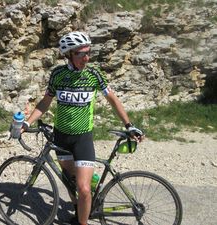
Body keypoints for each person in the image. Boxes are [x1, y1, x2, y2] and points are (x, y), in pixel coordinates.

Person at [22, 31, 144, 225]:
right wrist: (26, 123)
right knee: (70, 181)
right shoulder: (58, 75)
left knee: (84, 189)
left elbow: (113, 99)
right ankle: (81, 210)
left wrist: (129, 125)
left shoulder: (93, 74)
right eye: (81, 53)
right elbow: (45, 103)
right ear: (69, 54)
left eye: (88, 52)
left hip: (82, 139)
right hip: (61, 137)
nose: (86, 58)